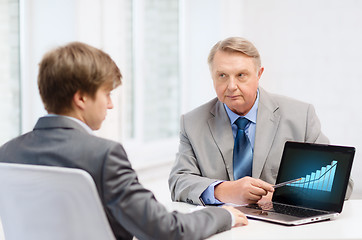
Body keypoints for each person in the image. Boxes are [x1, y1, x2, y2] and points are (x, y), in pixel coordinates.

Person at [0, 42, 248, 240]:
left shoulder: (7, 153)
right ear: (81, 99)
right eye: (106, 94)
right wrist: (221, 215)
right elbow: (165, 230)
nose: (110, 104)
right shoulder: (103, 155)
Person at [168, 37, 353, 206]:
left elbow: (341, 184)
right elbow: (179, 181)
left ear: (259, 74)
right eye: (222, 75)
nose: (231, 86)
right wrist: (223, 190)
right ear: (212, 77)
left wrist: (284, 196)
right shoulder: (192, 123)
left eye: (241, 75)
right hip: (223, 226)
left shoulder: (300, 116)